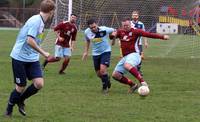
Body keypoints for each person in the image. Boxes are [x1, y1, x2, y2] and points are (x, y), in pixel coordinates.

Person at [5, 0, 55, 117]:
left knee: (39, 84)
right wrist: (44, 53)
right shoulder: (36, 21)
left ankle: (20, 100)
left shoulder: (41, 20)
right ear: (52, 11)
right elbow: (30, 40)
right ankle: (9, 109)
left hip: (32, 58)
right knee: (20, 86)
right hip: (19, 57)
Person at [111, 17, 169, 93]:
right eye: (124, 25)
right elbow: (111, 37)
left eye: (127, 25)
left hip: (134, 55)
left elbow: (149, 34)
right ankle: (133, 85)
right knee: (115, 75)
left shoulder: (136, 31)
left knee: (127, 65)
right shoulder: (120, 31)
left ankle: (143, 82)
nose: (126, 27)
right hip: (125, 57)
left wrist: (162, 37)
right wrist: (113, 35)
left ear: (130, 24)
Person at [82, 18, 115, 94]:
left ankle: (105, 89)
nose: (93, 29)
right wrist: (86, 52)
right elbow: (87, 40)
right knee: (99, 74)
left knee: (103, 70)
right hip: (95, 53)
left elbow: (114, 31)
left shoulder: (104, 29)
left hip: (106, 51)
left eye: (94, 26)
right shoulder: (87, 32)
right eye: (91, 28)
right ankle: (107, 79)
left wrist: (113, 39)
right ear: (88, 28)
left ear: (96, 24)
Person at [131, 10, 148, 75]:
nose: (135, 16)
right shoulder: (129, 23)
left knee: (140, 56)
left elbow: (145, 34)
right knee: (130, 56)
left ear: (138, 16)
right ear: (132, 16)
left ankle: (138, 70)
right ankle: (131, 69)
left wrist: (146, 42)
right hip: (131, 43)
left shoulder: (141, 24)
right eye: (133, 15)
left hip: (139, 43)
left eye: (136, 15)